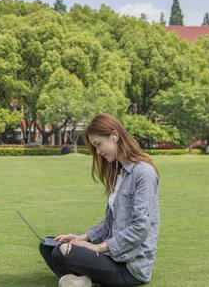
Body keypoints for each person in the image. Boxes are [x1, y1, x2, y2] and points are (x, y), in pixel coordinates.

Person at [39, 113, 160, 287]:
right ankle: (84, 281)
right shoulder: (118, 173)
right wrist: (84, 237)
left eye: (98, 144)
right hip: (111, 256)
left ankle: (83, 280)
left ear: (114, 136)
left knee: (62, 253)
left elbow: (140, 228)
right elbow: (111, 221)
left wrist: (98, 248)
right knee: (49, 246)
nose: (98, 152)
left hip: (129, 266)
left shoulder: (144, 173)